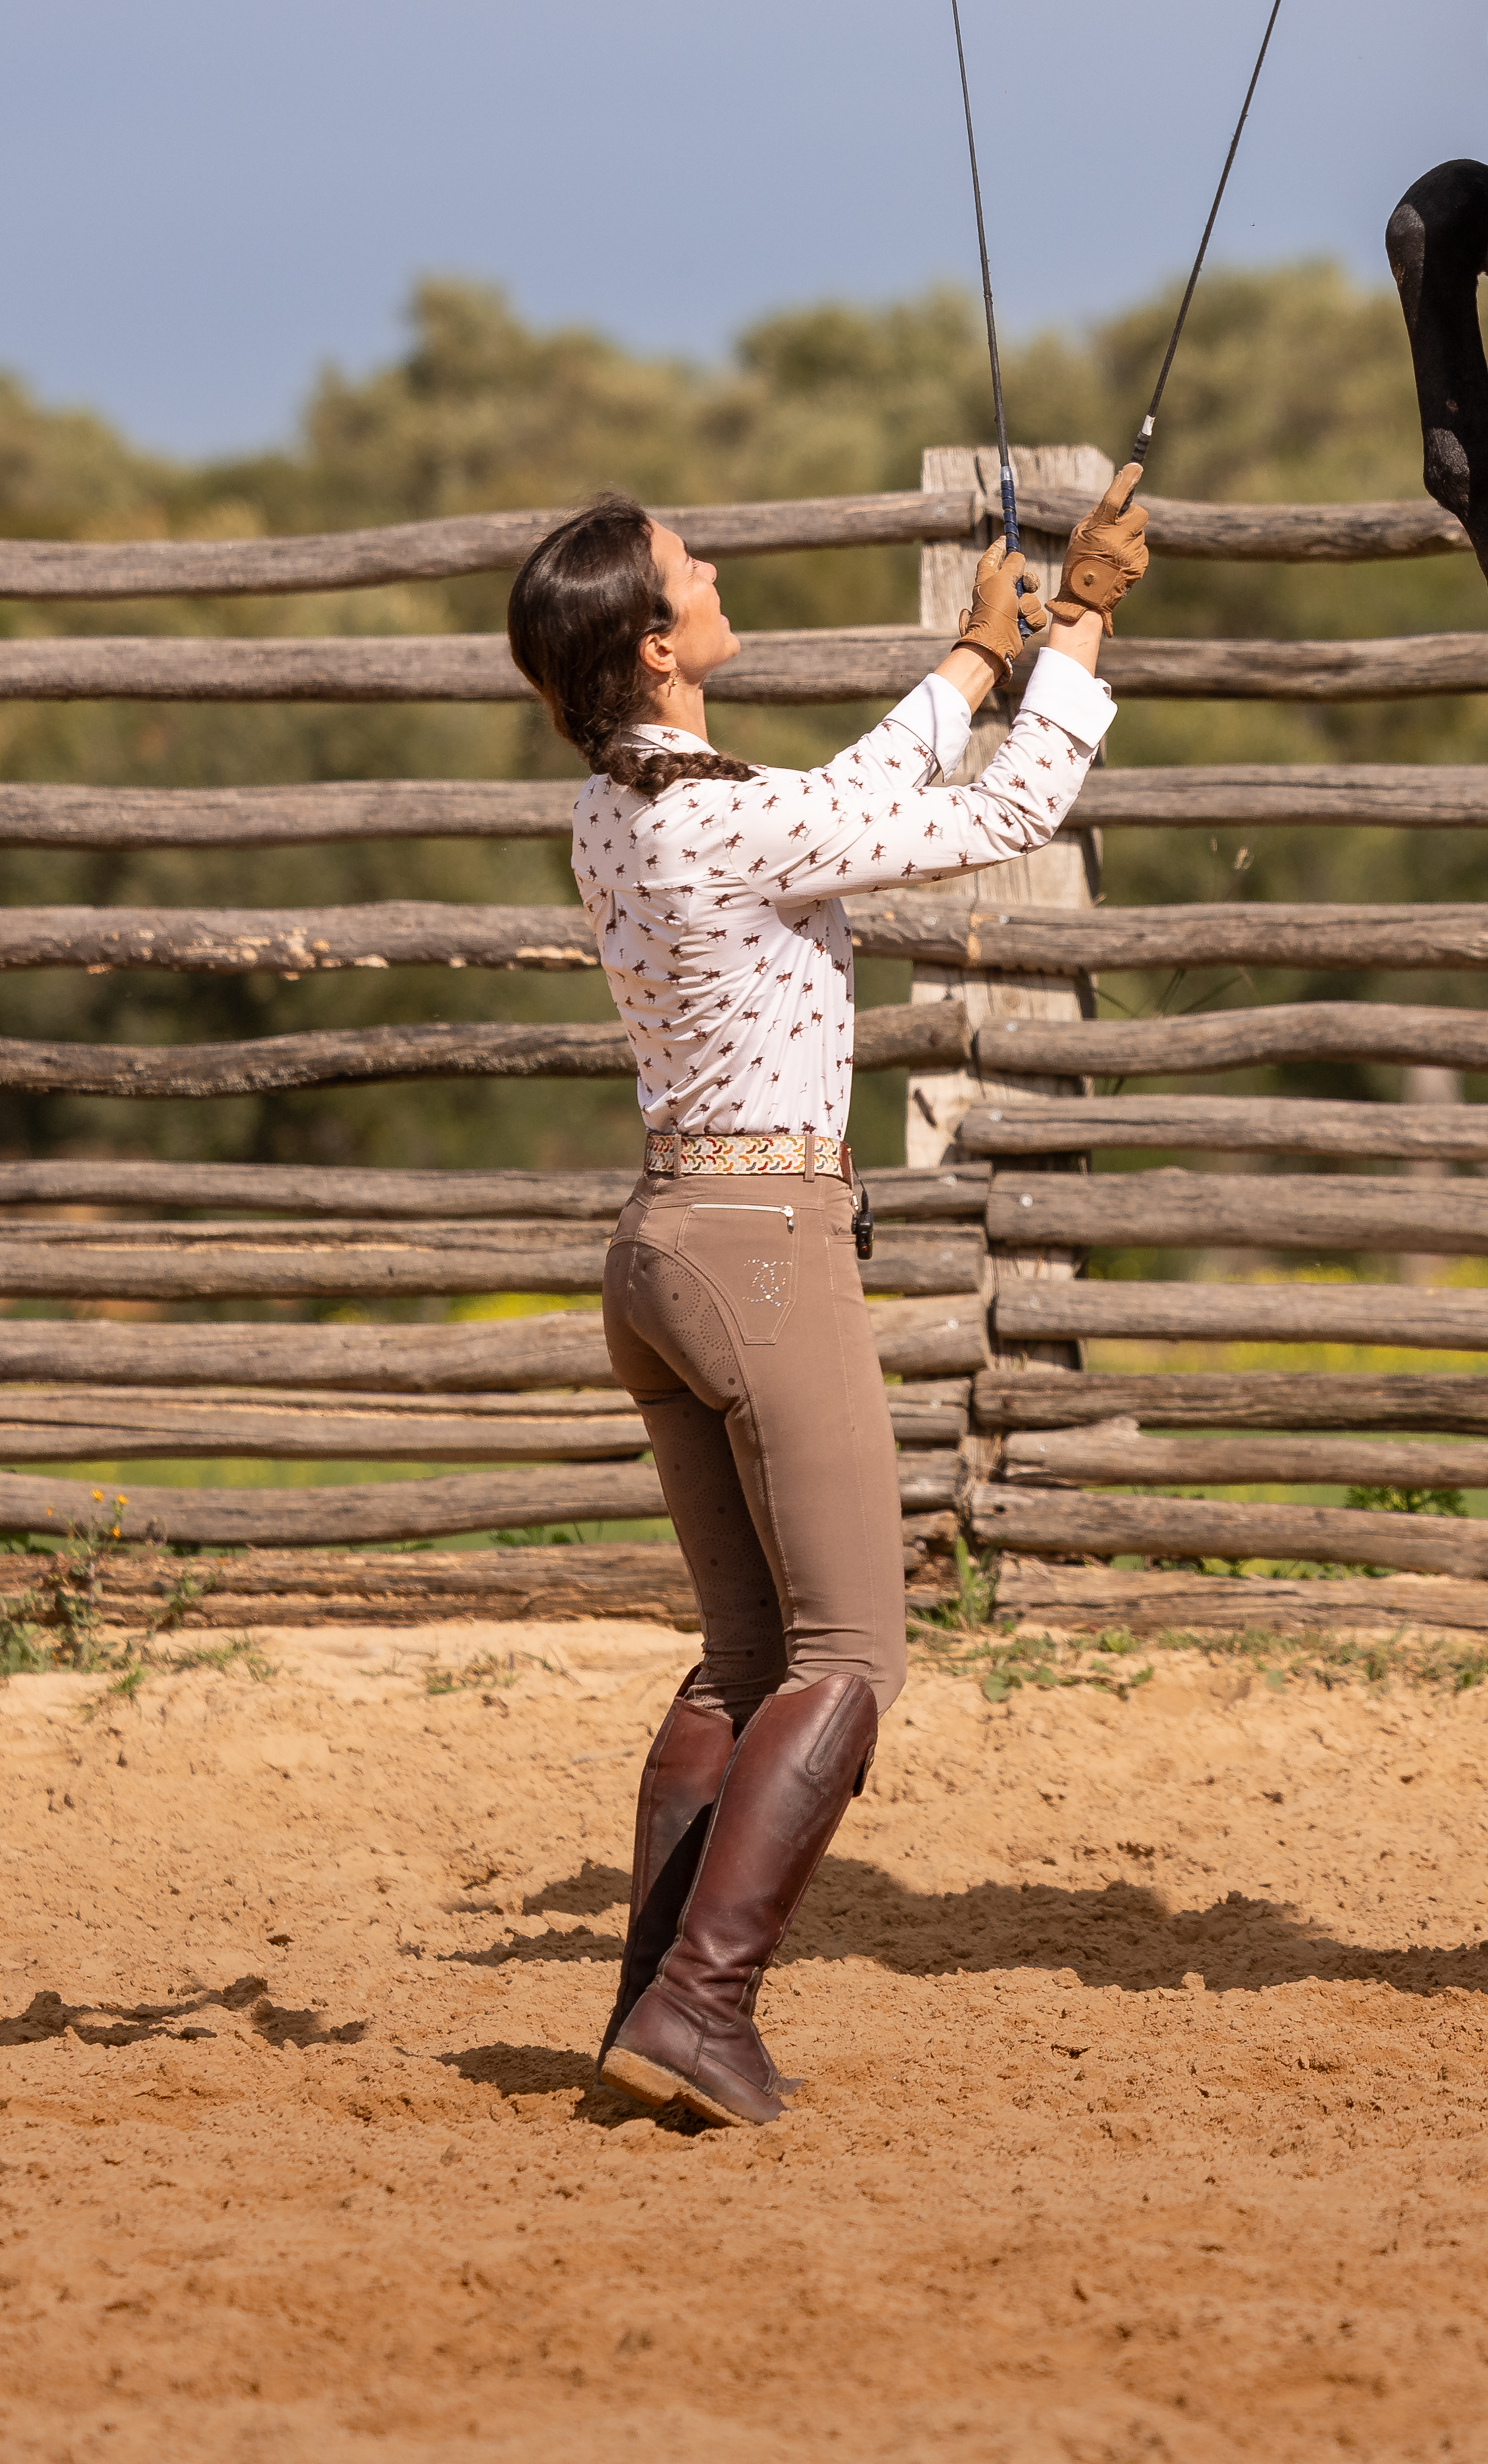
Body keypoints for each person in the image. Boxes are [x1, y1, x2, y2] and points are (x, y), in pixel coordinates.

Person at [501, 471, 1152, 2129]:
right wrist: (1076, 634)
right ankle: (703, 2003)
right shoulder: (724, 818)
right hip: (761, 1246)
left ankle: (653, 2005)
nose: (715, 573)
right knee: (854, 1648)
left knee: (740, 1658)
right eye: (688, 569)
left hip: (657, 1247)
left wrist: (973, 660)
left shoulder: (623, 804)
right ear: (657, 646)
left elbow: (841, 797)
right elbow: (1008, 828)